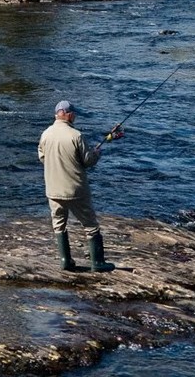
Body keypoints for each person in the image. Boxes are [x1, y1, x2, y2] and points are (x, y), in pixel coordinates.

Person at [37, 100, 115, 271]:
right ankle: (98, 263)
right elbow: (88, 161)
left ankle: (65, 261)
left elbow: (42, 158)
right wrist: (96, 153)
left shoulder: (45, 134)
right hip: (76, 189)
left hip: (53, 190)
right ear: (68, 114)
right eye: (74, 114)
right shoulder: (76, 135)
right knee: (90, 225)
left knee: (58, 224)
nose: (75, 116)